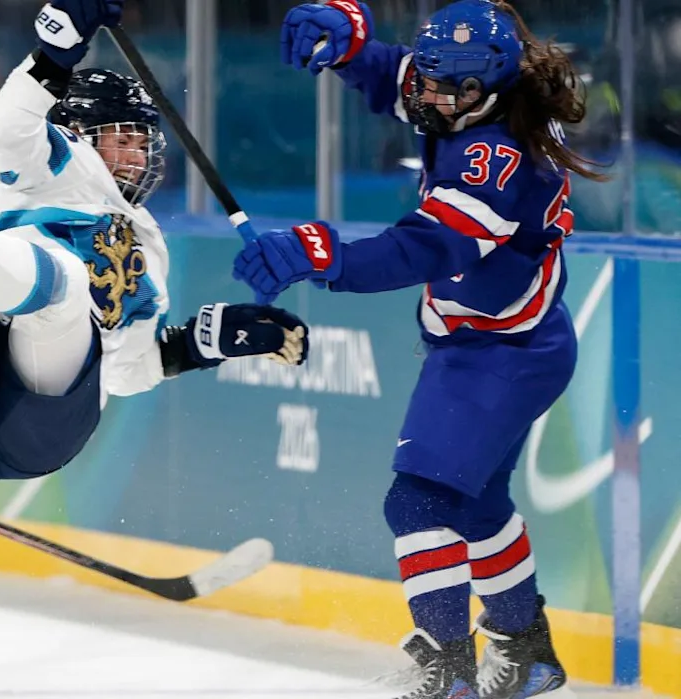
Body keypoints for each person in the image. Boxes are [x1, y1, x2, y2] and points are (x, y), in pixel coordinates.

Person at [241, 1, 607, 697]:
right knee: (475, 506)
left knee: (416, 503)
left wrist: (324, 256)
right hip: (503, 342)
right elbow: (398, 79)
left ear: (491, 89)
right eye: (431, 83)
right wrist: (349, 48)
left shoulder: (500, 158)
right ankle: (527, 650)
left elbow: (425, 246)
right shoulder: (464, 92)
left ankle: (447, 669)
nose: (433, 98)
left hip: (504, 352)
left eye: (453, 90)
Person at [0, 0, 309, 494]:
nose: (136, 155)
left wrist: (201, 344)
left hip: (43, 425)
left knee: (42, 291)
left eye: (142, 142)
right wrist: (53, 57)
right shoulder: (57, 161)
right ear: (77, 130)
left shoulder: (146, 239)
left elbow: (127, 372)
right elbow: (0, 135)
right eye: (121, 138)